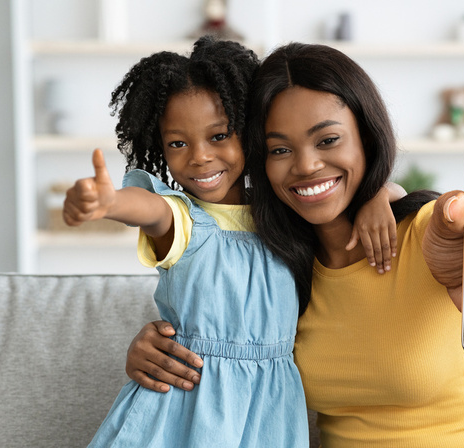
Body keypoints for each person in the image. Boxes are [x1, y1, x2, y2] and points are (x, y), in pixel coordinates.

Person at [123, 43, 464, 447]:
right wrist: (156, 346)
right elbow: (222, 340)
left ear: (368, 135)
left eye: (329, 139)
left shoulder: (430, 230)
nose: (307, 165)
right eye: (279, 148)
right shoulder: (277, 271)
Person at [63, 37, 399, 447]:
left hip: (268, 413)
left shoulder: (287, 213)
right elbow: (150, 210)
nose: (200, 157)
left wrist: (378, 195)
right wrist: (110, 202)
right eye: (178, 144)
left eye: (219, 135)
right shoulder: (186, 219)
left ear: (248, 131)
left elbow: (374, 192)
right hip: (185, 413)